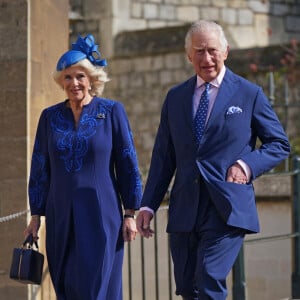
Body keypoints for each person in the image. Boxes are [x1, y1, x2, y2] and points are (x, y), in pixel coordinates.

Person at [136, 20, 290, 300]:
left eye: (212, 50)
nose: (206, 58)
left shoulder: (249, 94)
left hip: (226, 205)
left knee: (208, 278)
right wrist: (148, 204)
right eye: (199, 51)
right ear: (188, 55)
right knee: (187, 287)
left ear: (226, 51)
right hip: (185, 207)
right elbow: (163, 157)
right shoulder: (175, 98)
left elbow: (279, 144)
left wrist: (245, 166)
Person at [24, 34, 142, 300]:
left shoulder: (111, 111)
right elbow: (40, 166)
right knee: (65, 281)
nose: (74, 83)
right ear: (60, 81)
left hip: (101, 211)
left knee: (97, 283)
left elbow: (127, 162)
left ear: (91, 80)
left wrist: (130, 213)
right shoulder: (49, 116)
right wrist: (36, 215)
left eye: (80, 76)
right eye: (68, 77)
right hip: (60, 212)